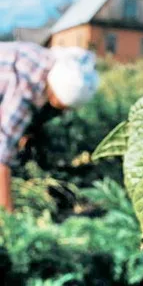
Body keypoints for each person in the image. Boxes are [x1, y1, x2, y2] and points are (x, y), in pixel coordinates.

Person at [0, 42, 99, 212]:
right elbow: (1, 157)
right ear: (52, 91)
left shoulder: (65, 65)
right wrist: (9, 219)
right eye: (58, 106)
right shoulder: (22, 91)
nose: (59, 113)